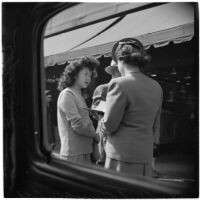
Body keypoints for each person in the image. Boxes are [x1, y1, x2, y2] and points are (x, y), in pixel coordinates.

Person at [98, 38, 163, 177]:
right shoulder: (156, 86)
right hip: (145, 156)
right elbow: (156, 124)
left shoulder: (118, 84)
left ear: (120, 60)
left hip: (121, 157)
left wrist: (101, 123)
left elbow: (110, 125)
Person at [57, 56, 100, 165]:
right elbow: (77, 125)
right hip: (73, 153)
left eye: (90, 75)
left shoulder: (79, 95)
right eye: (85, 74)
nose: (88, 78)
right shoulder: (67, 94)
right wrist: (95, 135)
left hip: (84, 150)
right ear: (75, 74)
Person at [91, 60, 121, 164]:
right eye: (118, 70)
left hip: (120, 132)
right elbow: (94, 111)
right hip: (103, 128)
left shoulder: (125, 89)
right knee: (102, 160)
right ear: (113, 72)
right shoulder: (102, 88)